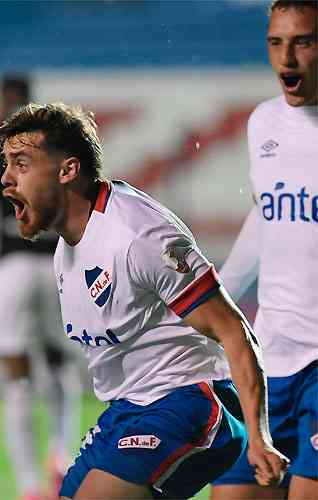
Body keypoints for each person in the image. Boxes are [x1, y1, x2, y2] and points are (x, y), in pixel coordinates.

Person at [0, 102, 289, 499]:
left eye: (21, 163)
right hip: (129, 409)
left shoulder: (137, 235)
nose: (6, 179)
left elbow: (233, 330)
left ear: (67, 170)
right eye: (7, 164)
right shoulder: (67, 249)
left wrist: (259, 436)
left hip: (193, 400)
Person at [210, 2, 317, 499]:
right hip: (270, 359)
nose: (287, 58)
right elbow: (265, 221)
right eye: (277, 42)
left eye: (304, 42)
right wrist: (216, 296)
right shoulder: (264, 124)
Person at [0, 75, 81, 500]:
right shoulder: (51, 147)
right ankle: (60, 453)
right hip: (54, 260)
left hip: (10, 266)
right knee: (61, 364)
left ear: (2, 100)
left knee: (16, 377)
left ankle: (29, 486)